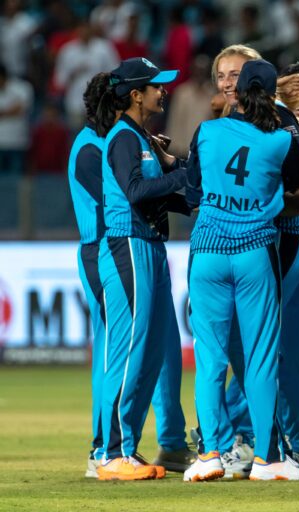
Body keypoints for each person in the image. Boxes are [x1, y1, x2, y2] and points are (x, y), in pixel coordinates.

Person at [182, 59, 299, 482]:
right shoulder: (279, 139)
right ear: (273, 95)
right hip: (255, 251)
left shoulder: (207, 131)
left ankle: (210, 454)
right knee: (259, 359)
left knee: (210, 358)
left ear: (236, 92)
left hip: (208, 250)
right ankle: (266, 459)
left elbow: (192, 193)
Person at [93, 57, 192, 480]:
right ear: (135, 94)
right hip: (127, 246)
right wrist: (180, 178)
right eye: (156, 86)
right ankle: (110, 453)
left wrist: (188, 187)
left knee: (150, 353)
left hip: (148, 245)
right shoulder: (123, 138)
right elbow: (134, 191)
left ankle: (127, 449)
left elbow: (157, 195)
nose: (163, 91)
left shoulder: (141, 137)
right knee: (130, 349)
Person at [68, 72, 111, 478]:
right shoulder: (90, 149)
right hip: (101, 250)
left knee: (114, 345)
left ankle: (108, 445)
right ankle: (101, 448)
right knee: (111, 346)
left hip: (105, 249)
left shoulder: (98, 143)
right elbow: (120, 200)